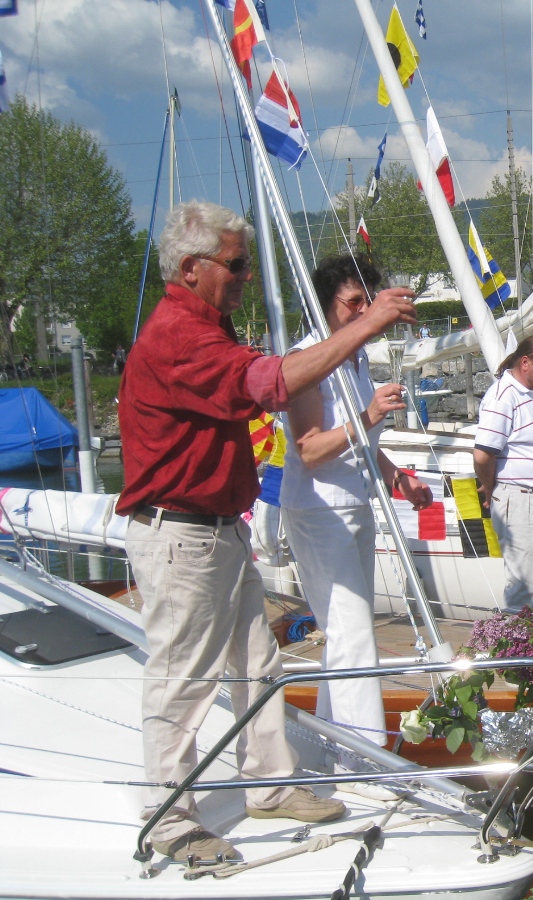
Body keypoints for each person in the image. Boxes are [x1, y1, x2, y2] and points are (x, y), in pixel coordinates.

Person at [117, 201, 416, 864]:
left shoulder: (210, 327)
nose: (246, 276)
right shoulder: (180, 335)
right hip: (182, 534)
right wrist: (370, 322)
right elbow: (270, 384)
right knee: (184, 678)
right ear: (191, 268)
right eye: (236, 264)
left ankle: (270, 785)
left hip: (218, 529)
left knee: (258, 664)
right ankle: (169, 819)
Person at [280, 254, 433, 800]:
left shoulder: (356, 358)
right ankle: (366, 768)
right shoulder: (305, 360)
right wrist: (368, 415)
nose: (364, 311)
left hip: (353, 503)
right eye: (353, 303)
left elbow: (361, 443)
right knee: (353, 635)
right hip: (319, 509)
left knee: (346, 634)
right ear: (325, 305)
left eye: (369, 301)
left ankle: (332, 751)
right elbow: (309, 449)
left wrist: (397, 477)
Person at [473, 334, 533, 610]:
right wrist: (490, 487)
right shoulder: (504, 397)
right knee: (526, 591)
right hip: (524, 500)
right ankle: (516, 637)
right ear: (525, 362)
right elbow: (482, 454)